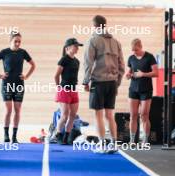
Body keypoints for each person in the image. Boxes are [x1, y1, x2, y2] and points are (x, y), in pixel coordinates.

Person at [83, 15, 125, 152]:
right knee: (110, 115)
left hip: (98, 82)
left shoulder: (93, 40)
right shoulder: (116, 42)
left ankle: (101, 144)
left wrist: (85, 81)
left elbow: (88, 63)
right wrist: (117, 83)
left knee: (98, 115)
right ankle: (114, 143)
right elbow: (122, 66)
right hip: (112, 83)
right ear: (105, 25)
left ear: (94, 26)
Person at [0, 31, 36, 143]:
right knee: (8, 110)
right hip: (7, 84)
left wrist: (26, 76)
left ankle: (14, 136)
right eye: (15, 41)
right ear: (10, 41)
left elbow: (33, 65)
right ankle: (6, 135)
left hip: (19, 85)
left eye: (19, 41)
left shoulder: (23, 52)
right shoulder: (4, 52)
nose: (17, 43)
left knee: (17, 110)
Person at [126, 38, 158, 144]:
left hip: (146, 90)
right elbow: (129, 73)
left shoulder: (149, 57)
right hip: (133, 90)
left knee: (144, 115)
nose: (134, 52)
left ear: (140, 46)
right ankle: (132, 140)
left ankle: (145, 139)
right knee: (133, 115)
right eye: (133, 50)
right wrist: (128, 75)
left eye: (136, 50)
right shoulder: (131, 58)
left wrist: (143, 74)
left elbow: (156, 73)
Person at [54, 38, 83, 145]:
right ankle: (58, 134)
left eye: (77, 46)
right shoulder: (63, 60)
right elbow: (56, 75)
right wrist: (59, 88)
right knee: (64, 115)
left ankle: (66, 135)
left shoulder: (77, 61)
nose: (77, 48)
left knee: (72, 115)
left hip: (73, 90)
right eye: (75, 46)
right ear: (68, 48)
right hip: (64, 90)